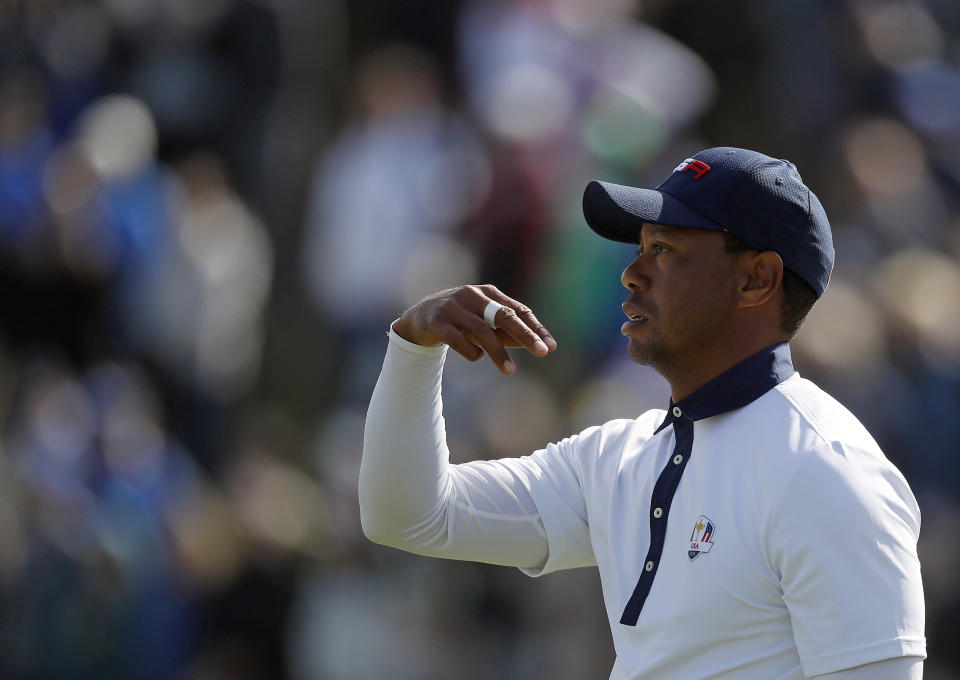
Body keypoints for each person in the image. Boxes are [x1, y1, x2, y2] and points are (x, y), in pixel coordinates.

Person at [359, 147, 925, 679]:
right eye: (640, 248)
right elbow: (408, 517)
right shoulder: (617, 456)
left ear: (756, 279)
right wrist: (414, 349)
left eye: (666, 249)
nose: (632, 274)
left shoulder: (826, 470)